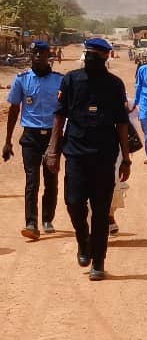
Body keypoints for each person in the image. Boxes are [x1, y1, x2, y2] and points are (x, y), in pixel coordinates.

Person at [45, 38, 132, 281]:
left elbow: (122, 122)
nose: (90, 59)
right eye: (88, 54)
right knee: (73, 203)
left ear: (106, 57)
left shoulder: (114, 85)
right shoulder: (71, 80)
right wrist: (53, 150)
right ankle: (83, 241)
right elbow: (59, 116)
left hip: (104, 154)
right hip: (75, 152)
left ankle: (98, 262)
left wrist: (126, 158)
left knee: (102, 211)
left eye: (96, 55)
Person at [3, 41, 62, 240]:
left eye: (42, 53)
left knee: (51, 180)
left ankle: (47, 218)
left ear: (48, 56)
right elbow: (14, 110)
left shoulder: (59, 81)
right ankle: (31, 222)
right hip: (30, 137)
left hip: (52, 137)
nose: (38, 56)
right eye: (35, 52)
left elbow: (66, 111)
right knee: (32, 180)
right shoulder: (21, 79)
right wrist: (8, 140)